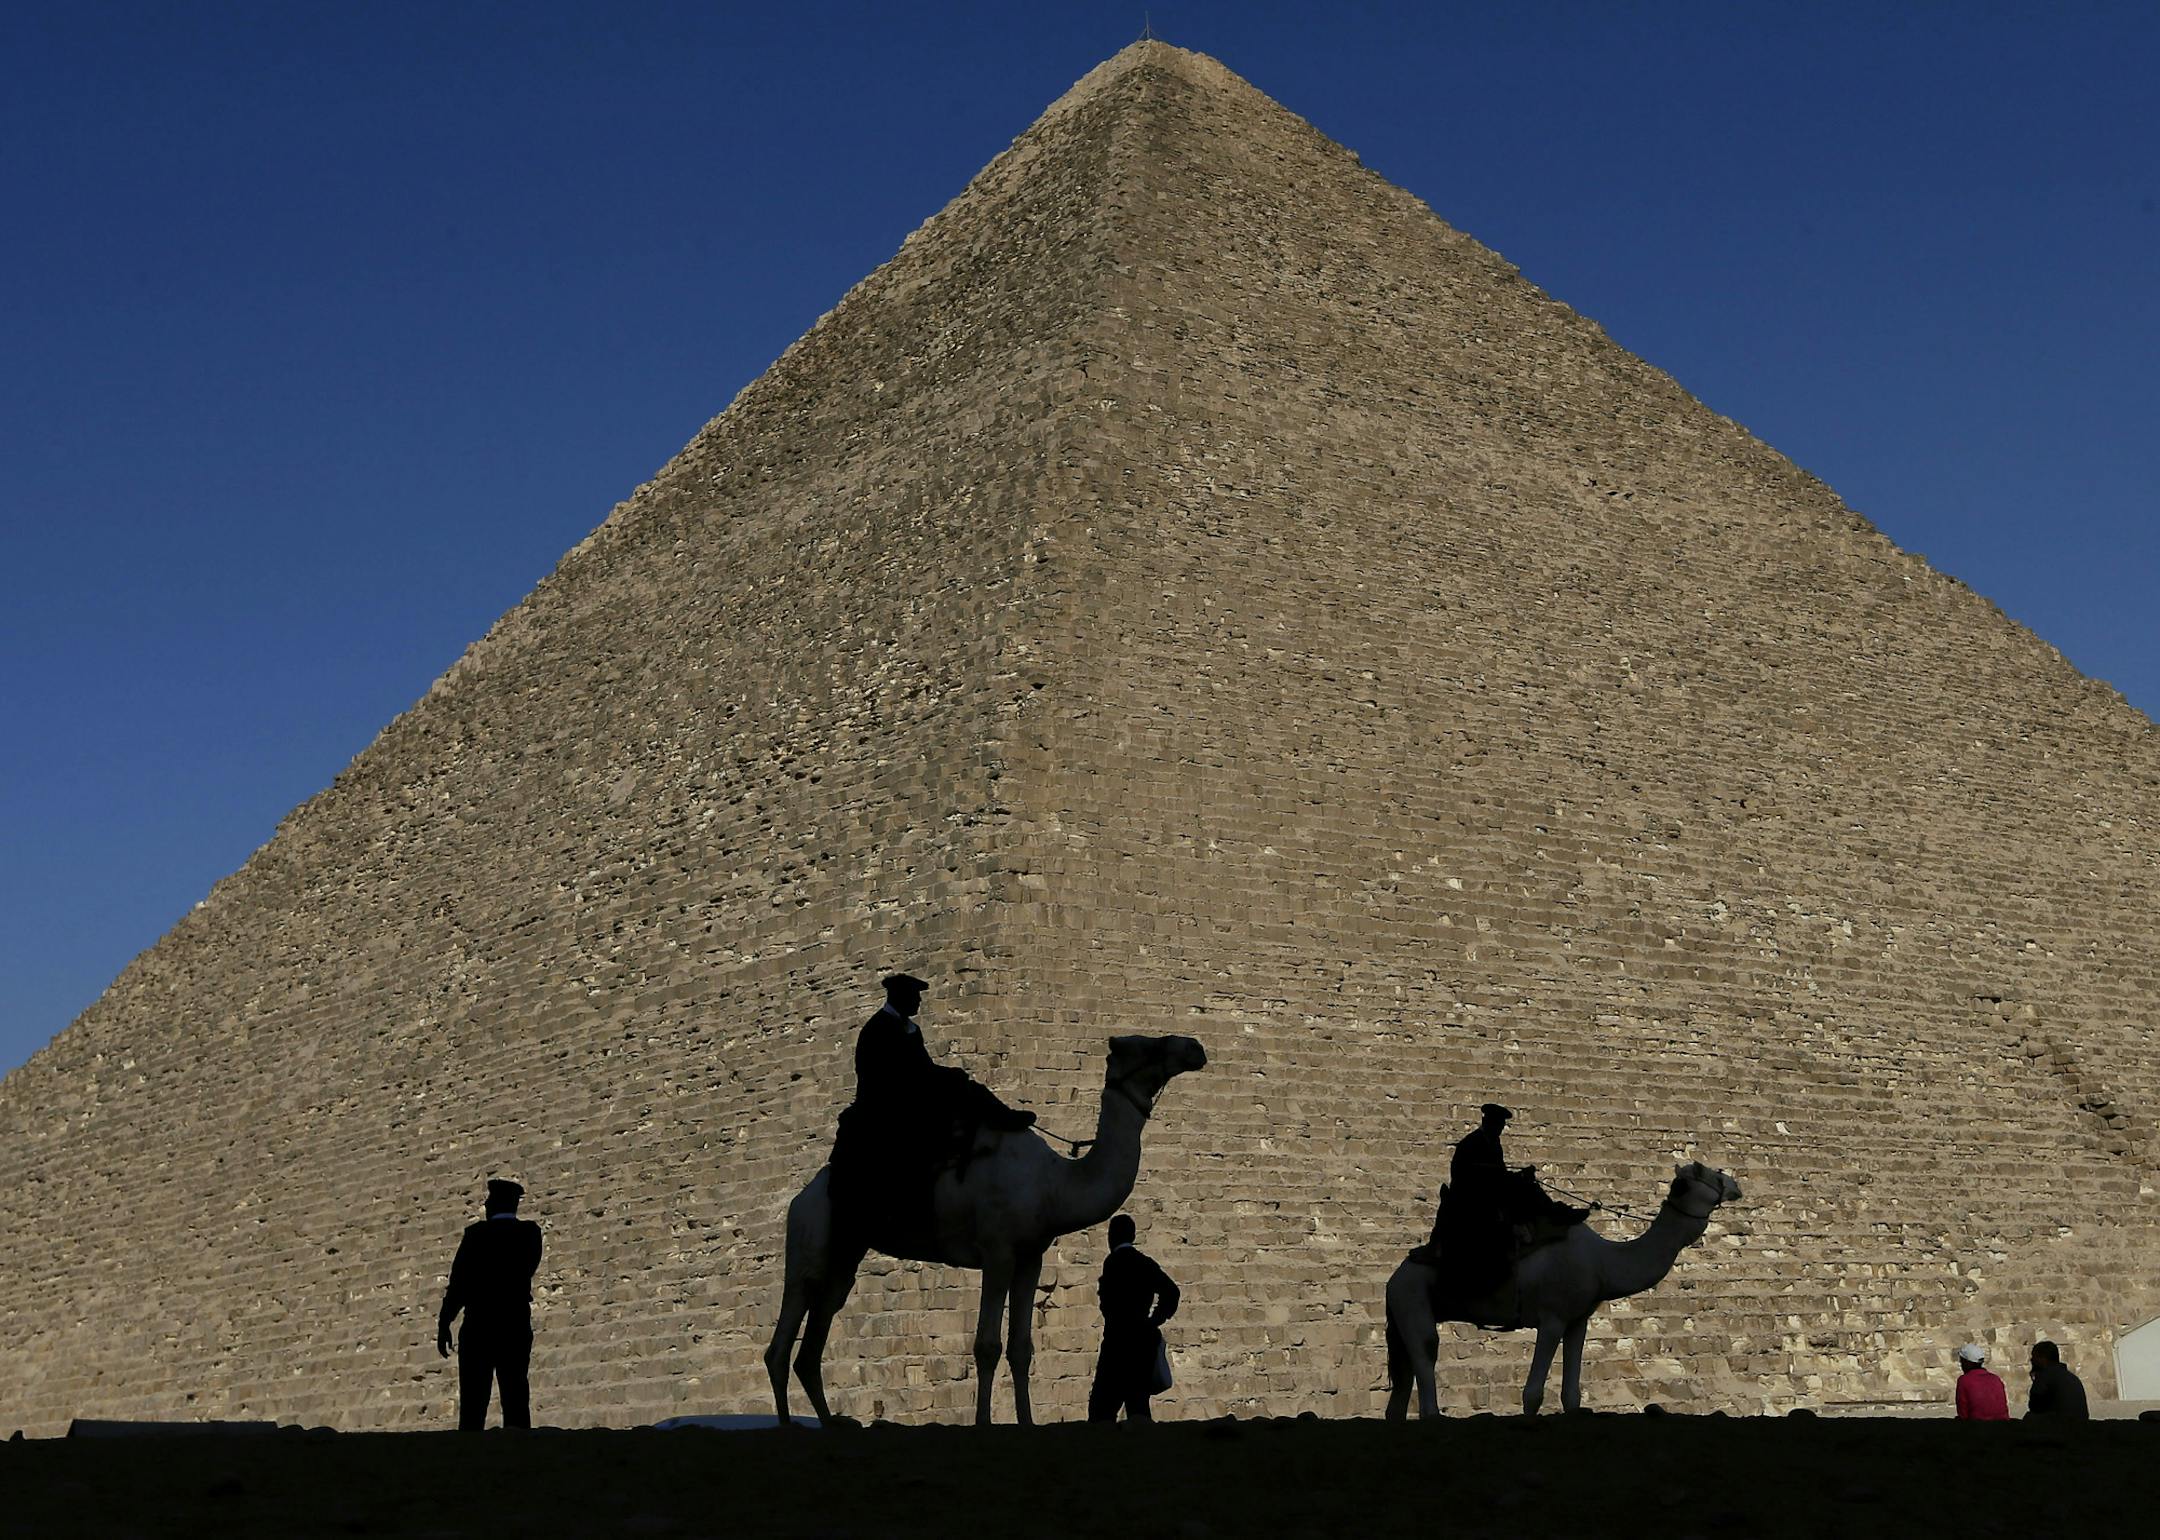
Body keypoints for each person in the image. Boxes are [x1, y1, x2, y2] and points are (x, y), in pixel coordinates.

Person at [831, 972, 1034, 1238]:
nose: (918, 1002)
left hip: (912, 1092)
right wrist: (939, 1079)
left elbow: (922, 1068)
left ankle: (1003, 1120)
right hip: (886, 1103)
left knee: (968, 1088)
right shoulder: (878, 1029)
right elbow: (890, 1076)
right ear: (900, 997)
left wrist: (944, 1076)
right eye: (914, 996)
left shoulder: (909, 1029)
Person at [437, 1178, 544, 1431]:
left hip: (479, 1326)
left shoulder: (475, 1236)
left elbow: (458, 1284)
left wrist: (445, 1321)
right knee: (516, 1397)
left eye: (488, 1200)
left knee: (473, 1403)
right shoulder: (530, 1234)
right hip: (514, 1324)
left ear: (495, 1203)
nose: (484, 1204)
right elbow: (526, 1269)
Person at [1089, 1214, 1179, 1423]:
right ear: (1133, 1235)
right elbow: (1171, 1292)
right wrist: (1154, 1320)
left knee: (1101, 1411)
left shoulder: (1112, 1263)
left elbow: (1107, 1303)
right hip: (1141, 1343)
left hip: (1116, 1342)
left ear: (1111, 1237)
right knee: (1138, 1405)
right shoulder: (1145, 1263)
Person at [2026, 1340, 2090, 1420]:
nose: (2031, 1360)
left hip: (2060, 1427)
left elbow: (2035, 1406)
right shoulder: (2071, 1377)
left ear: (2043, 1358)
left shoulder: (2045, 1376)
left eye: (2034, 1357)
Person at [1953, 1343, 2009, 1420]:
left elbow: (1963, 1413)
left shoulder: (1964, 1381)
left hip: (1978, 1426)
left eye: (1962, 1362)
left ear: (1966, 1362)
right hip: (2003, 1424)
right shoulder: (1995, 1379)